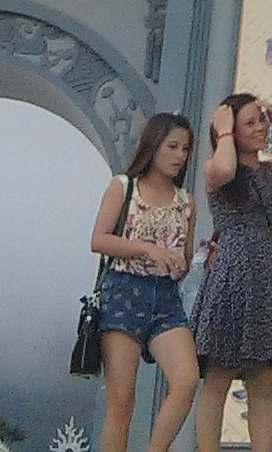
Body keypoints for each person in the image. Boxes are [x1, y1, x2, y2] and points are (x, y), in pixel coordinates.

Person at [193, 91, 272, 452]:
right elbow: (226, 169)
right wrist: (224, 130)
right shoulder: (216, 168)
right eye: (251, 122)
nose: (259, 128)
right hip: (230, 276)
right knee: (218, 378)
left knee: (263, 381)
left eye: (260, 120)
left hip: (266, 279)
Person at [90, 113, 200, 452]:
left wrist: (183, 261)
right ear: (152, 147)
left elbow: (184, 255)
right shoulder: (124, 187)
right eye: (172, 146)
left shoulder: (186, 201)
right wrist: (147, 249)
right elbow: (99, 240)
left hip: (166, 298)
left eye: (185, 148)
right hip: (124, 291)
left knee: (186, 378)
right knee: (122, 401)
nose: (180, 155)